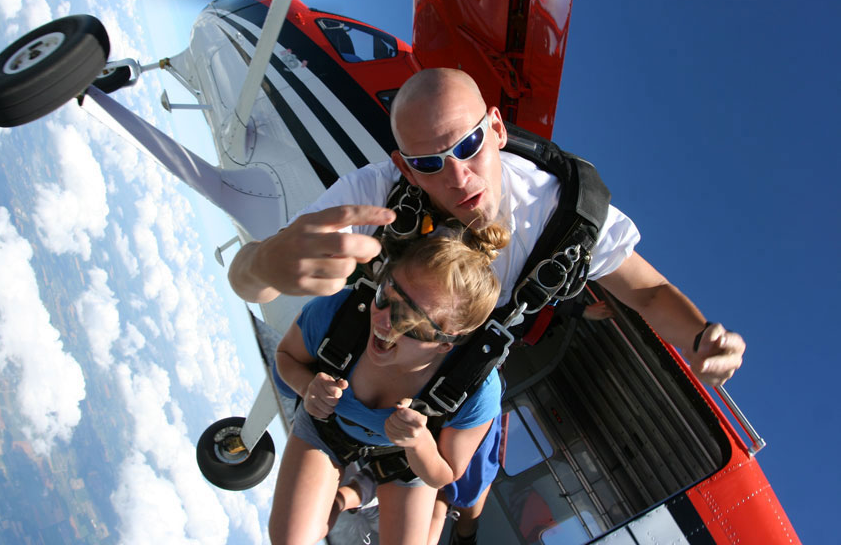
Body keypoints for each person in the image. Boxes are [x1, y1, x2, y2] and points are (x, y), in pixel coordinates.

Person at [229, 67, 745, 387]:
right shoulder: (378, 195)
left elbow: (649, 293)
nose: (457, 176)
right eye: (428, 163)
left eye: (468, 145)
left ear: (497, 129)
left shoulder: (566, 215)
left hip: (461, 365)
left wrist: (699, 338)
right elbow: (246, 279)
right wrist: (265, 262)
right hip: (387, 347)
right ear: (404, 168)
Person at [269, 225, 509, 545]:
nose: (382, 321)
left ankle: (358, 491)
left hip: (405, 459)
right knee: (290, 539)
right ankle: (358, 490)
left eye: (408, 321)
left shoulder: (474, 387)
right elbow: (286, 356)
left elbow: (444, 473)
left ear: (445, 343)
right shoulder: (341, 314)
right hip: (328, 425)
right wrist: (307, 386)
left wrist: (419, 442)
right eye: (385, 296)